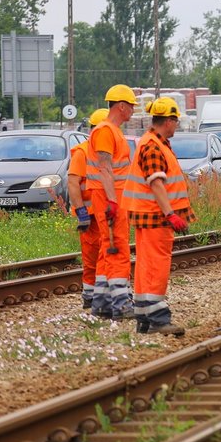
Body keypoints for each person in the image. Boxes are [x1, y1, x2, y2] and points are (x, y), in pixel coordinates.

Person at [121, 97, 195, 335]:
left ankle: (143, 316)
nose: (177, 125)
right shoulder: (153, 146)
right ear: (169, 121)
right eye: (176, 121)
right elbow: (157, 184)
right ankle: (158, 319)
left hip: (147, 215)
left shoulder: (152, 142)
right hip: (156, 217)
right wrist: (171, 214)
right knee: (156, 265)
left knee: (145, 264)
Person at [86, 84, 137, 320]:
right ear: (121, 106)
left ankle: (102, 303)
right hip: (109, 197)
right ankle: (121, 303)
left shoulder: (113, 131)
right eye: (132, 107)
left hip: (111, 196)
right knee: (118, 247)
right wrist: (113, 201)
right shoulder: (105, 131)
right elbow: (104, 167)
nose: (134, 111)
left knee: (109, 247)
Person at [67, 108, 109, 310]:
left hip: (107, 214)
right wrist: (81, 211)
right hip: (91, 217)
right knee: (92, 258)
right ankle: (90, 297)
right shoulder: (83, 152)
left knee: (108, 256)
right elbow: (73, 182)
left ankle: (102, 296)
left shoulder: (108, 152)